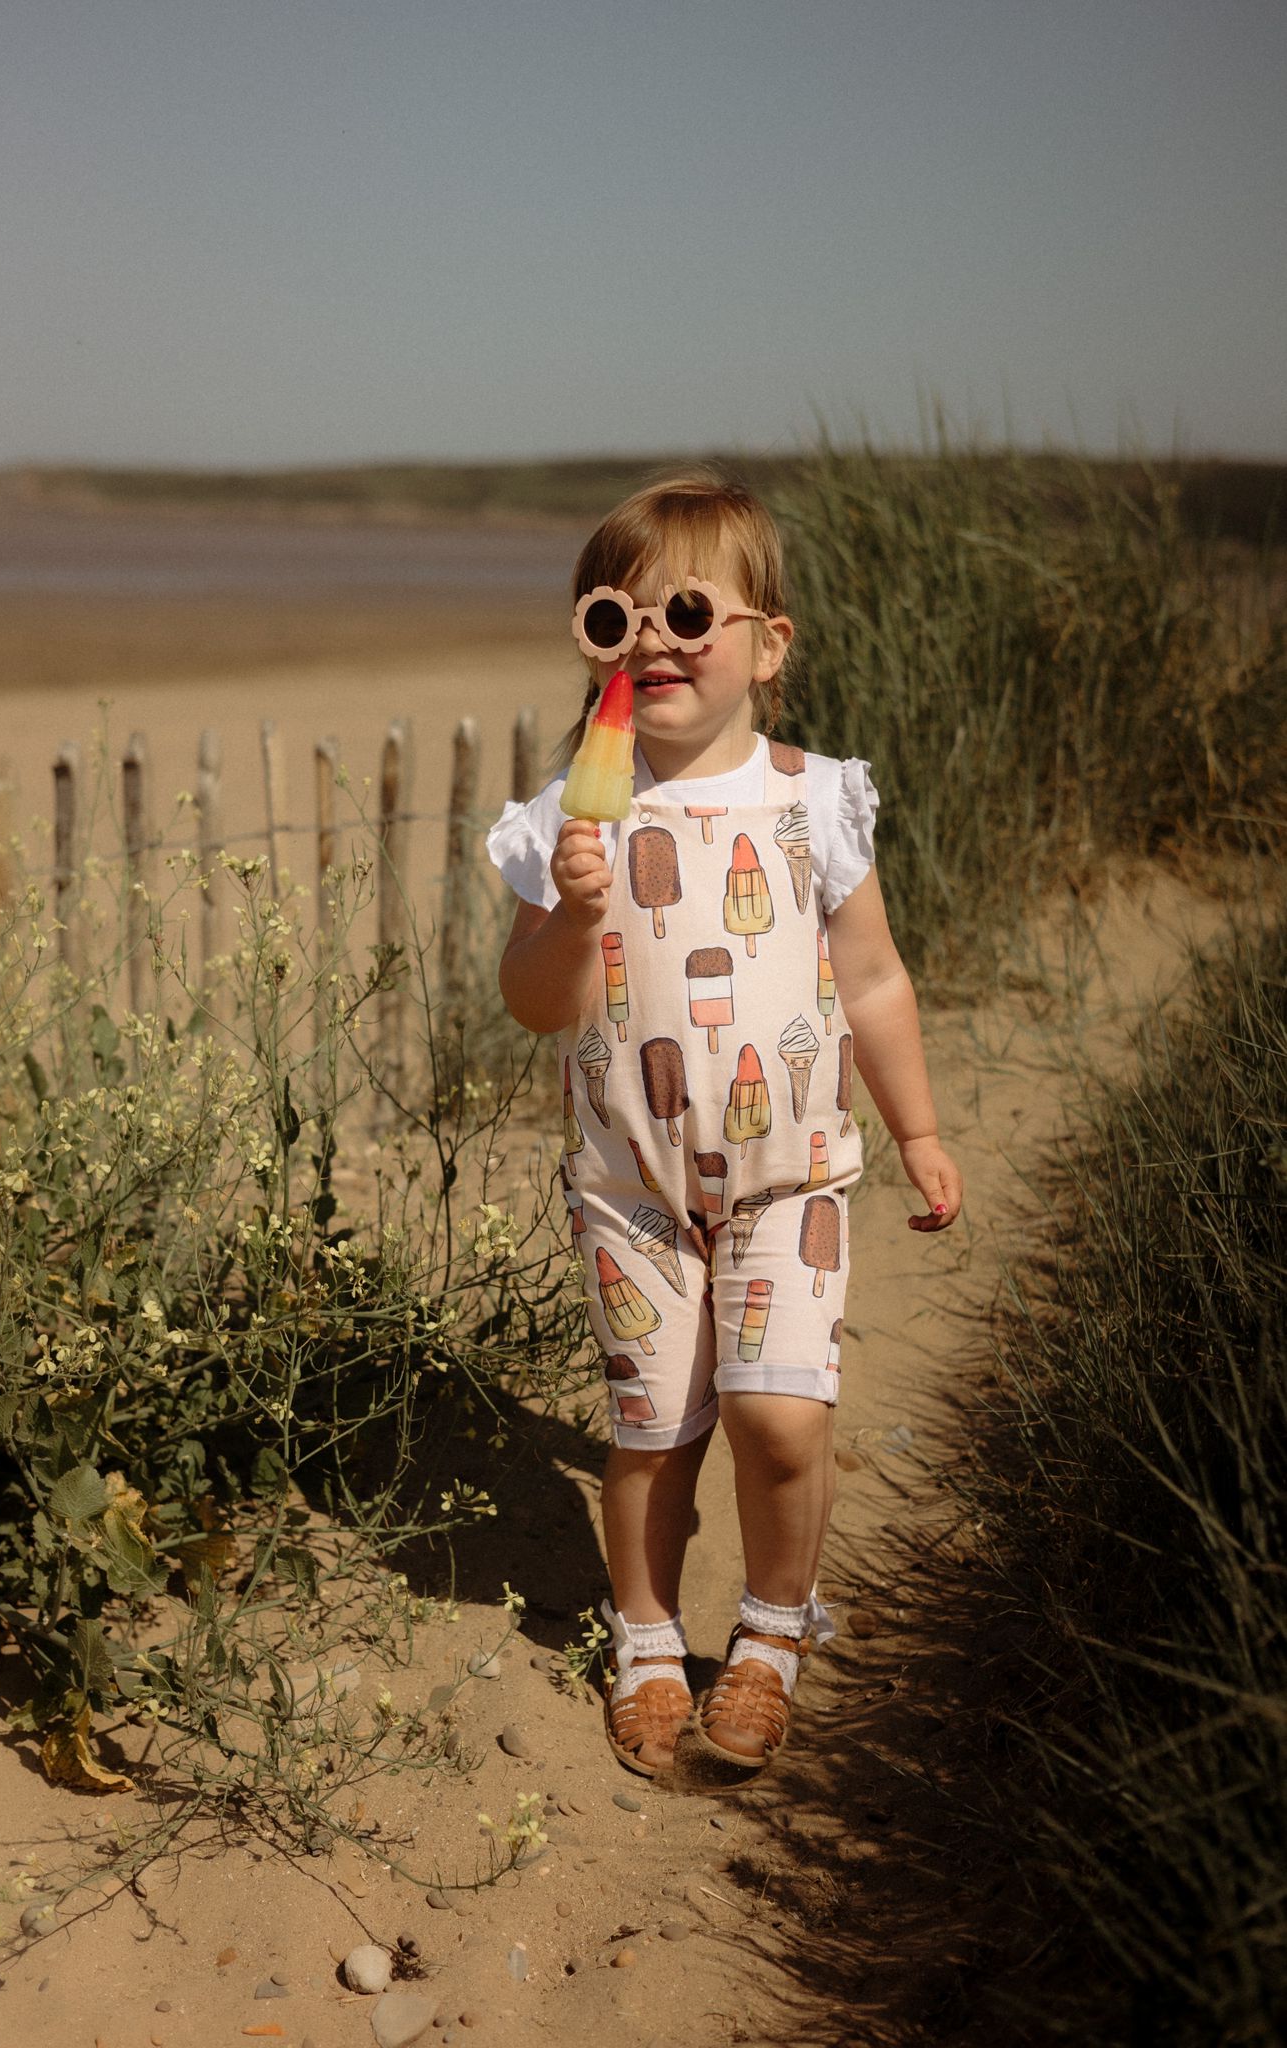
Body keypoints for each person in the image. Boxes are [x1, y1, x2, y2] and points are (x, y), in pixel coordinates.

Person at [486, 470, 963, 1778]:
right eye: (618, 613)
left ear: (768, 643)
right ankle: (643, 1633)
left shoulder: (816, 799)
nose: (655, 637)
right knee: (651, 1432)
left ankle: (767, 1630)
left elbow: (869, 979)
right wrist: (574, 912)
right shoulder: (564, 818)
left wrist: (914, 1128)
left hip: (788, 1175)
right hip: (630, 1188)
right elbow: (536, 1007)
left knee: (780, 1422)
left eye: (689, 609)